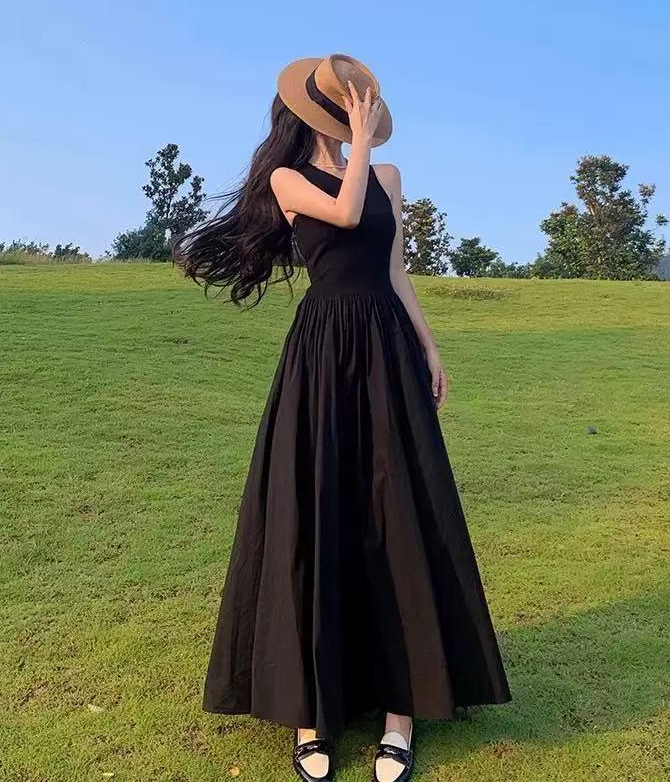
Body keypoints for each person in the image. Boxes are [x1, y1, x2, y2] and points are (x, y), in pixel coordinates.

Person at [173, 53, 511, 782]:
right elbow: (346, 214)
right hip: (323, 351)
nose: (355, 119)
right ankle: (311, 714)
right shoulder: (286, 180)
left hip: (387, 347)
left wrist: (430, 347)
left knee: (397, 510)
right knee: (319, 508)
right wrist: (357, 143)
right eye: (347, 110)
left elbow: (394, 271)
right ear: (322, 112)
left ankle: (400, 714)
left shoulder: (388, 176)